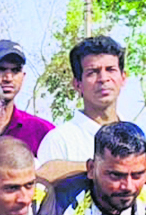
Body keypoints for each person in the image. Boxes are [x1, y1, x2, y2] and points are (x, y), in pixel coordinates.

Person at [36, 36, 126, 171]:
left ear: (123, 78)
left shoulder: (139, 136)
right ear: (77, 84)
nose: (103, 79)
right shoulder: (59, 140)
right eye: (92, 72)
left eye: (110, 70)